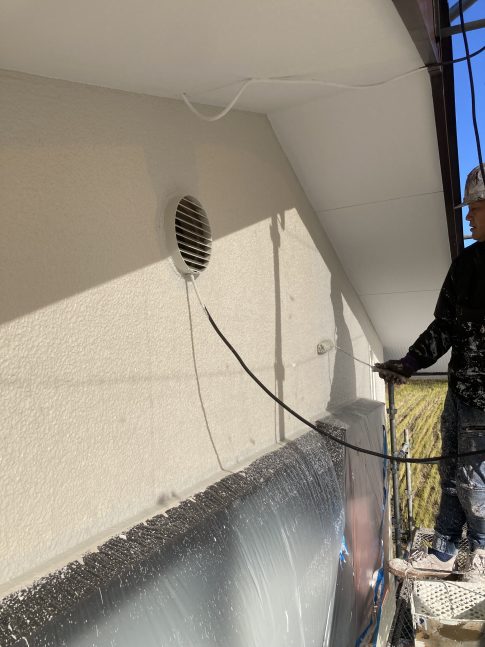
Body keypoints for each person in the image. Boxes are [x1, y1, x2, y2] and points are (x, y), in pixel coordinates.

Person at [375, 164, 485, 581]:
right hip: (459, 394)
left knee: (477, 479)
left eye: (475, 207)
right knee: (450, 472)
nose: (468, 215)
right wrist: (409, 364)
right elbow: (445, 327)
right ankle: (443, 551)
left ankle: (483, 553)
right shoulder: (465, 265)